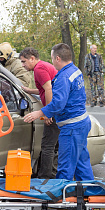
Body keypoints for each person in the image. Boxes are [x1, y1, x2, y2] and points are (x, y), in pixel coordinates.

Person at [23, 43, 94, 181]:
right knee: (81, 164)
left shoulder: (63, 77)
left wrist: (40, 113)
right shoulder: (75, 71)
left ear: (57, 58)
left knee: (65, 167)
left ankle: (63, 198)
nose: (51, 61)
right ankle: (88, 193)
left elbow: (58, 103)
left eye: (52, 58)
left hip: (71, 127)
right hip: (81, 123)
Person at [19, 47, 60, 179]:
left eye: (24, 61)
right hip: (57, 109)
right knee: (54, 145)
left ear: (32, 58)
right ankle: (52, 173)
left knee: (47, 146)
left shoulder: (39, 69)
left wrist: (48, 113)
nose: (23, 65)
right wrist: (30, 91)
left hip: (54, 110)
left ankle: (45, 178)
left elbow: (48, 89)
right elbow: (45, 88)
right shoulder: (44, 66)